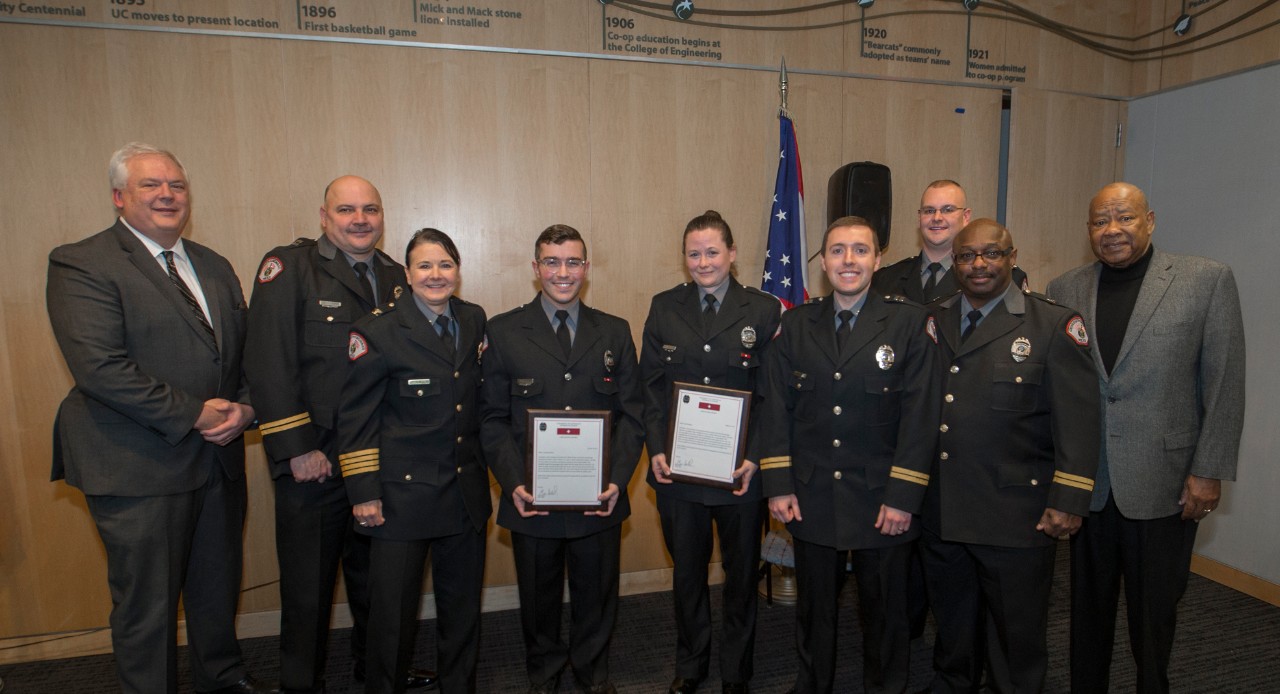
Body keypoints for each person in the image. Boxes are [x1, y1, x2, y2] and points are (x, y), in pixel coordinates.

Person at [46, 143, 269, 694]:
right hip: (136, 462)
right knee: (147, 605)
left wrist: (246, 406)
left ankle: (221, 679)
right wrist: (194, 413)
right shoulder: (82, 262)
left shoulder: (213, 264)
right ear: (120, 197)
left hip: (218, 458)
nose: (168, 194)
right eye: (151, 185)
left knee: (216, 589)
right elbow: (100, 368)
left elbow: (240, 355)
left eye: (176, 185)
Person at [1046, 182, 1245, 694]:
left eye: (1125, 218)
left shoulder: (1206, 280)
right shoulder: (1064, 289)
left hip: (1166, 481)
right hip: (1089, 483)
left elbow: (1225, 383)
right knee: (1085, 612)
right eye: (1099, 221)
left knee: (1153, 616)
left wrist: (1208, 470)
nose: (1112, 230)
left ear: (1150, 220)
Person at [245, 176, 435, 692]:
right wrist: (296, 448)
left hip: (379, 457)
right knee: (309, 585)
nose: (360, 219)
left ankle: (376, 671)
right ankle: (300, 683)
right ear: (324, 216)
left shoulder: (400, 276)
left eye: (370, 209)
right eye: (346, 209)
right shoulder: (290, 269)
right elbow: (267, 363)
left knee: (379, 579)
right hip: (317, 455)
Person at [759, 216, 942, 694]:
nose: (848, 261)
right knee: (814, 609)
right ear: (823, 262)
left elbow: (921, 418)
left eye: (860, 250)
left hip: (882, 496)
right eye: (837, 251)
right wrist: (778, 485)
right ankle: (812, 684)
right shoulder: (796, 325)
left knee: (884, 612)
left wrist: (903, 496)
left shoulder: (908, 323)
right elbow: (776, 409)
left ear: (878, 259)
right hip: (812, 492)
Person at [920, 218, 1099, 694]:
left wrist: (1070, 499)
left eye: (991, 253)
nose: (978, 264)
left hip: (1016, 514)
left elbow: (1079, 422)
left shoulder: (1053, 325)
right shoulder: (933, 320)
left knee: (1015, 636)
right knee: (954, 624)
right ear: (953, 263)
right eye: (966, 256)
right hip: (945, 509)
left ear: (1012, 256)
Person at [479, 224, 645, 694]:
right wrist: (512, 483)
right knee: (538, 601)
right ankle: (545, 677)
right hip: (534, 498)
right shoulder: (504, 331)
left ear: (586, 269)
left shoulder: (614, 331)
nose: (562, 272)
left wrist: (616, 481)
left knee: (597, 597)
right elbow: (490, 419)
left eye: (572, 262)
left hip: (598, 498)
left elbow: (632, 416)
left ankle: (594, 677)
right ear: (536, 269)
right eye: (552, 262)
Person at [338, 229, 492, 693]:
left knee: (462, 611)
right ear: (406, 274)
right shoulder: (378, 329)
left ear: (458, 271)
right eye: (424, 266)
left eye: (445, 265)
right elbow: (355, 416)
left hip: (464, 493)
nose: (436, 275)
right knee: (393, 618)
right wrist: (364, 492)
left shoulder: (474, 318)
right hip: (402, 499)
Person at [640, 211, 782, 694]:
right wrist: (657, 449)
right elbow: (651, 388)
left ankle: (737, 671)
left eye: (712, 252)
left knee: (741, 578)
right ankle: (691, 664)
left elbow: (772, 394)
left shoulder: (763, 311)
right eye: (694, 253)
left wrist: (756, 456)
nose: (703, 262)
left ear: (733, 253)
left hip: (739, 474)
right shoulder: (664, 307)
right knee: (688, 576)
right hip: (678, 473)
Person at [872, 179, 1027, 303]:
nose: (937, 218)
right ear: (919, 218)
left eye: (948, 210)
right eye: (929, 211)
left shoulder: (1000, 275)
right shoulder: (885, 279)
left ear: (966, 216)